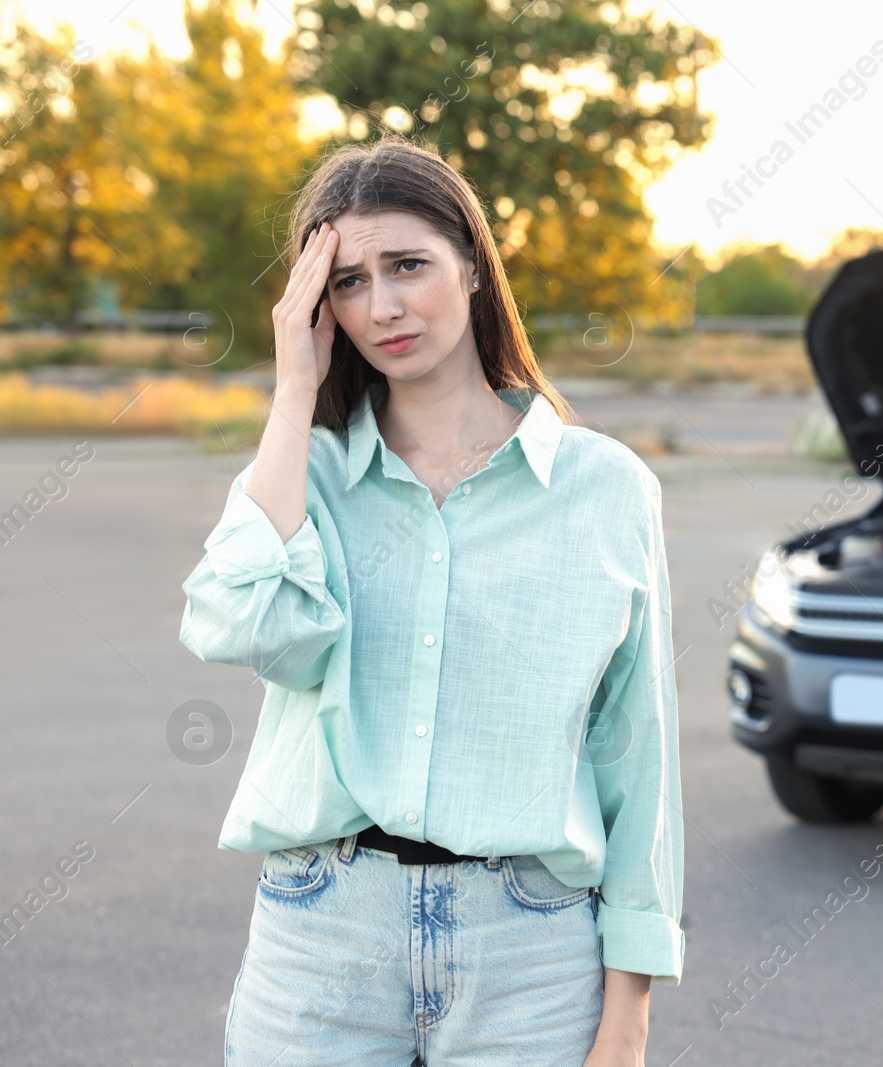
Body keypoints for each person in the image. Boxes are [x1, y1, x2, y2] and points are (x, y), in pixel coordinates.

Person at [177, 134, 684, 1067]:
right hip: (321, 938)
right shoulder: (306, 476)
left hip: (530, 955)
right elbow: (255, 629)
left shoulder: (606, 488)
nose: (384, 306)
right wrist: (295, 391)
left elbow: (637, 757)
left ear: (474, 267)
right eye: (349, 282)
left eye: (408, 264)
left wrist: (630, 1012)